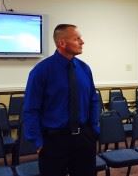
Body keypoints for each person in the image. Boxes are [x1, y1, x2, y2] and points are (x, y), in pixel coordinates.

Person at [23, 24, 99, 176]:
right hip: (54, 141)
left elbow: (93, 100)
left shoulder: (85, 69)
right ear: (62, 43)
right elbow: (31, 109)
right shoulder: (41, 71)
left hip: (83, 139)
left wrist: (94, 131)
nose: (82, 42)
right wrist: (38, 142)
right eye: (77, 39)